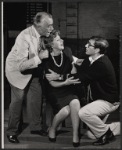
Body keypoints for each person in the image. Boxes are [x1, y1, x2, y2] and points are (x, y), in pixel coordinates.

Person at [5, 12, 54, 143]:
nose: (51, 28)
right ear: (38, 25)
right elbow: (21, 66)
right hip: (17, 72)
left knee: (36, 98)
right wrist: (39, 57)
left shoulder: (40, 35)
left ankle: (36, 127)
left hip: (32, 69)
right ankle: (11, 131)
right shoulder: (24, 37)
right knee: (17, 101)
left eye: (52, 25)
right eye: (48, 26)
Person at [74, 36, 120, 145]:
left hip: (108, 102)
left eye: (89, 45)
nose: (85, 46)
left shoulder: (101, 64)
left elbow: (81, 77)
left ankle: (106, 134)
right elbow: (83, 69)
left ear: (97, 50)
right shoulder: (90, 59)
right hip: (99, 100)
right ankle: (116, 127)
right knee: (90, 135)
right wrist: (74, 62)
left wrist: (60, 77)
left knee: (83, 113)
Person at [43, 30, 81, 147]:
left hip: (67, 88)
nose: (62, 40)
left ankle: (75, 135)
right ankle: (53, 129)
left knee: (75, 102)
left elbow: (74, 73)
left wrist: (73, 65)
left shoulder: (67, 52)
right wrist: (65, 81)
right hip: (53, 90)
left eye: (61, 39)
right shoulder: (46, 58)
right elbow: (52, 84)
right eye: (58, 40)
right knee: (65, 111)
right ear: (51, 44)